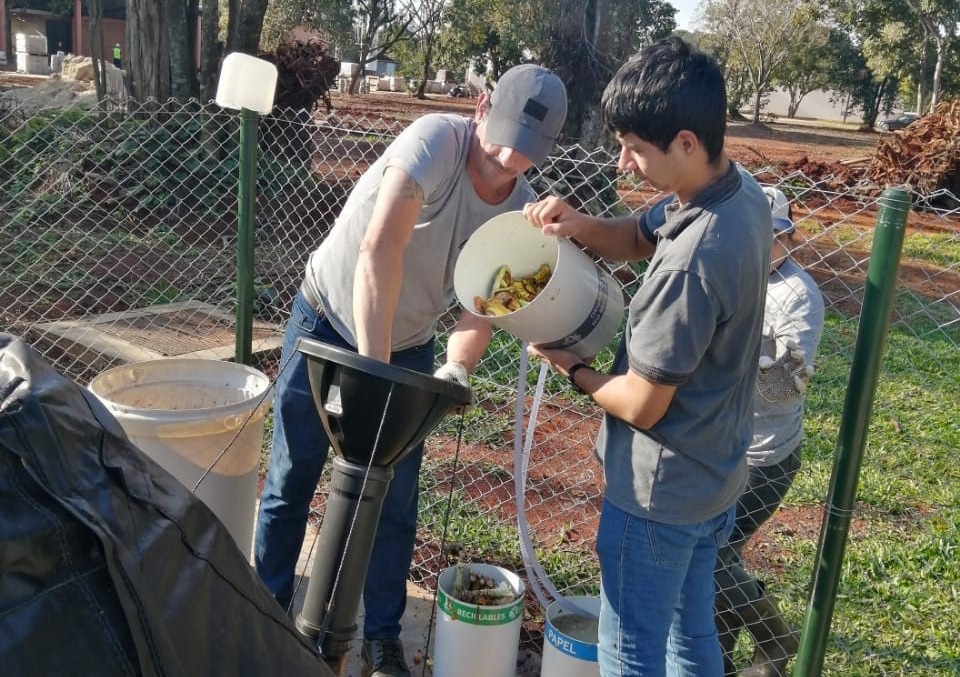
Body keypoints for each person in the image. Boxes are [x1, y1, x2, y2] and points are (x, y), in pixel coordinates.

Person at [255, 64, 567, 677]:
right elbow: (380, 251)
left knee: (394, 499)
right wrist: (374, 375)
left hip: (412, 346)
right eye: (501, 136)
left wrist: (454, 366)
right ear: (480, 107)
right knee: (293, 476)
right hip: (327, 319)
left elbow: (485, 306)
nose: (507, 158)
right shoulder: (431, 142)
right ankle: (265, 612)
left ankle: (381, 640)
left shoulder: (523, 211)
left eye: (526, 152)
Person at [523, 36, 772, 676]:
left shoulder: (692, 263)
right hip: (713, 477)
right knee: (691, 637)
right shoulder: (737, 196)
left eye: (636, 148)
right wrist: (578, 225)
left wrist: (571, 367)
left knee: (630, 652)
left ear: (686, 142)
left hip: (657, 495)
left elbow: (641, 402)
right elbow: (637, 234)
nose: (624, 162)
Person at [714, 187, 825, 677]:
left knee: (711, 556)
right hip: (718, 444)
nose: (762, 246)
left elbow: (785, 389)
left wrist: (725, 365)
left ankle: (775, 643)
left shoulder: (797, 296)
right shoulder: (734, 274)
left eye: (772, 237)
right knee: (719, 555)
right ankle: (716, 657)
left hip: (762, 456)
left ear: (786, 236)